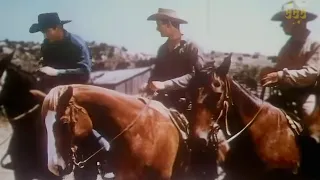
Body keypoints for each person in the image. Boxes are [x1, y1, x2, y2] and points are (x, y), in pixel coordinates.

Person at [259, 1, 320, 143]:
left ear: (297, 21)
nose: (281, 25)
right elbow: (280, 69)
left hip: (306, 94)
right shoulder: (287, 46)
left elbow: (311, 73)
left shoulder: (315, 45)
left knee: (309, 121)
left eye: (284, 20)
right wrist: (270, 72)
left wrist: (280, 75)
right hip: (284, 94)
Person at [144, 8, 205, 113]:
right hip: (162, 102)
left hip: (188, 105)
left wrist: (166, 84)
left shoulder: (191, 47)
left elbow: (198, 75)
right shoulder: (162, 49)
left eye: (158, 25)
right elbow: (157, 74)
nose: (157, 29)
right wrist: (149, 84)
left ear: (168, 24)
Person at [29, 12, 92, 92]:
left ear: (57, 27)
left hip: (76, 89)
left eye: (47, 31)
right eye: (43, 32)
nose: (45, 36)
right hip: (51, 89)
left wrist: (57, 72)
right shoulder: (46, 44)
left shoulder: (76, 44)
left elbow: (85, 73)